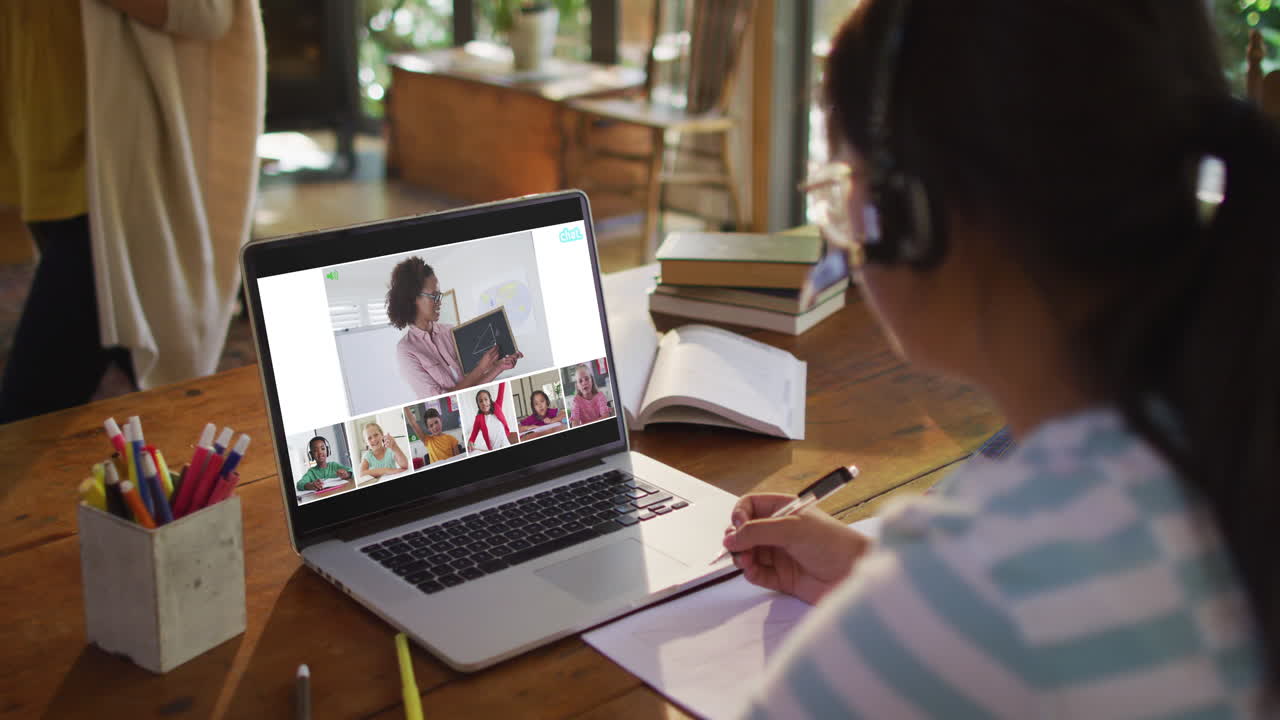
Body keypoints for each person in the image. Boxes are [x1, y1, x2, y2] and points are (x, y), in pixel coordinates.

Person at [721, 2, 1276, 716]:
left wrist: (918, 613)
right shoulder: (1226, 439)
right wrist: (880, 579)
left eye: (842, 186)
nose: (846, 236)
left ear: (916, 211)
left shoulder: (978, 591)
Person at [0, 0, 265, 423]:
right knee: (143, 383)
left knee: (26, 411)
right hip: (47, 160)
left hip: (116, 183)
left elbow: (208, 11)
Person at [386, 257, 522, 399]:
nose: (440, 302)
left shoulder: (449, 331)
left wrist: (499, 367)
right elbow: (443, 399)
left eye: (439, 295)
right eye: (434, 296)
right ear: (413, 298)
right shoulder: (406, 350)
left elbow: (472, 384)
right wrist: (481, 368)